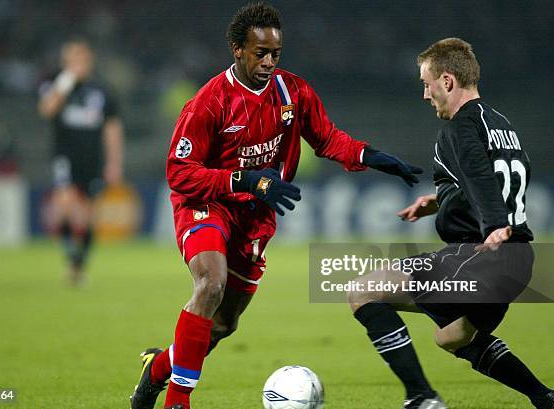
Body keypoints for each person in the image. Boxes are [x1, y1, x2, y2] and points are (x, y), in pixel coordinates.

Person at [129, 3, 422, 409]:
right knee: (209, 283)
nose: (269, 62)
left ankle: (157, 369)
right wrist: (243, 178)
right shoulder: (209, 102)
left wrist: (371, 156)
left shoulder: (293, 92)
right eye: (260, 53)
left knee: (222, 324)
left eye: (275, 54)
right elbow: (180, 172)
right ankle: (178, 402)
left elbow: (326, 138)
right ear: (237, 49)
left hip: (256, 218)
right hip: (208, 204)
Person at [348, 38, 554, 409]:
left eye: (427, 84)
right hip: (516, 260)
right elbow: (504, 176)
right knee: (451, 337)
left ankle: (422, 397)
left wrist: (494, 222)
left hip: (481, 255)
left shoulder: (459, 127)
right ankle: (546, 399)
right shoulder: (500, 123)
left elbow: (479, 175)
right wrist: (440, 201)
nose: (425, 95)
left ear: (447, 81)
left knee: (364, 290)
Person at [38, 40, 124, 286]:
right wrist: (64, 83)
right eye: (73, 60)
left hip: (93, 159)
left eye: (82, 59)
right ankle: (71, 256)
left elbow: (112, 129)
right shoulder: (56, 86)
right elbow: (46, 110)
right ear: (66, 63)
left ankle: (77, 264)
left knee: (87, 215)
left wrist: (114, 163)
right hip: (64, 157)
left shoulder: (103, 91)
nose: (79, 65)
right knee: (65, 203)